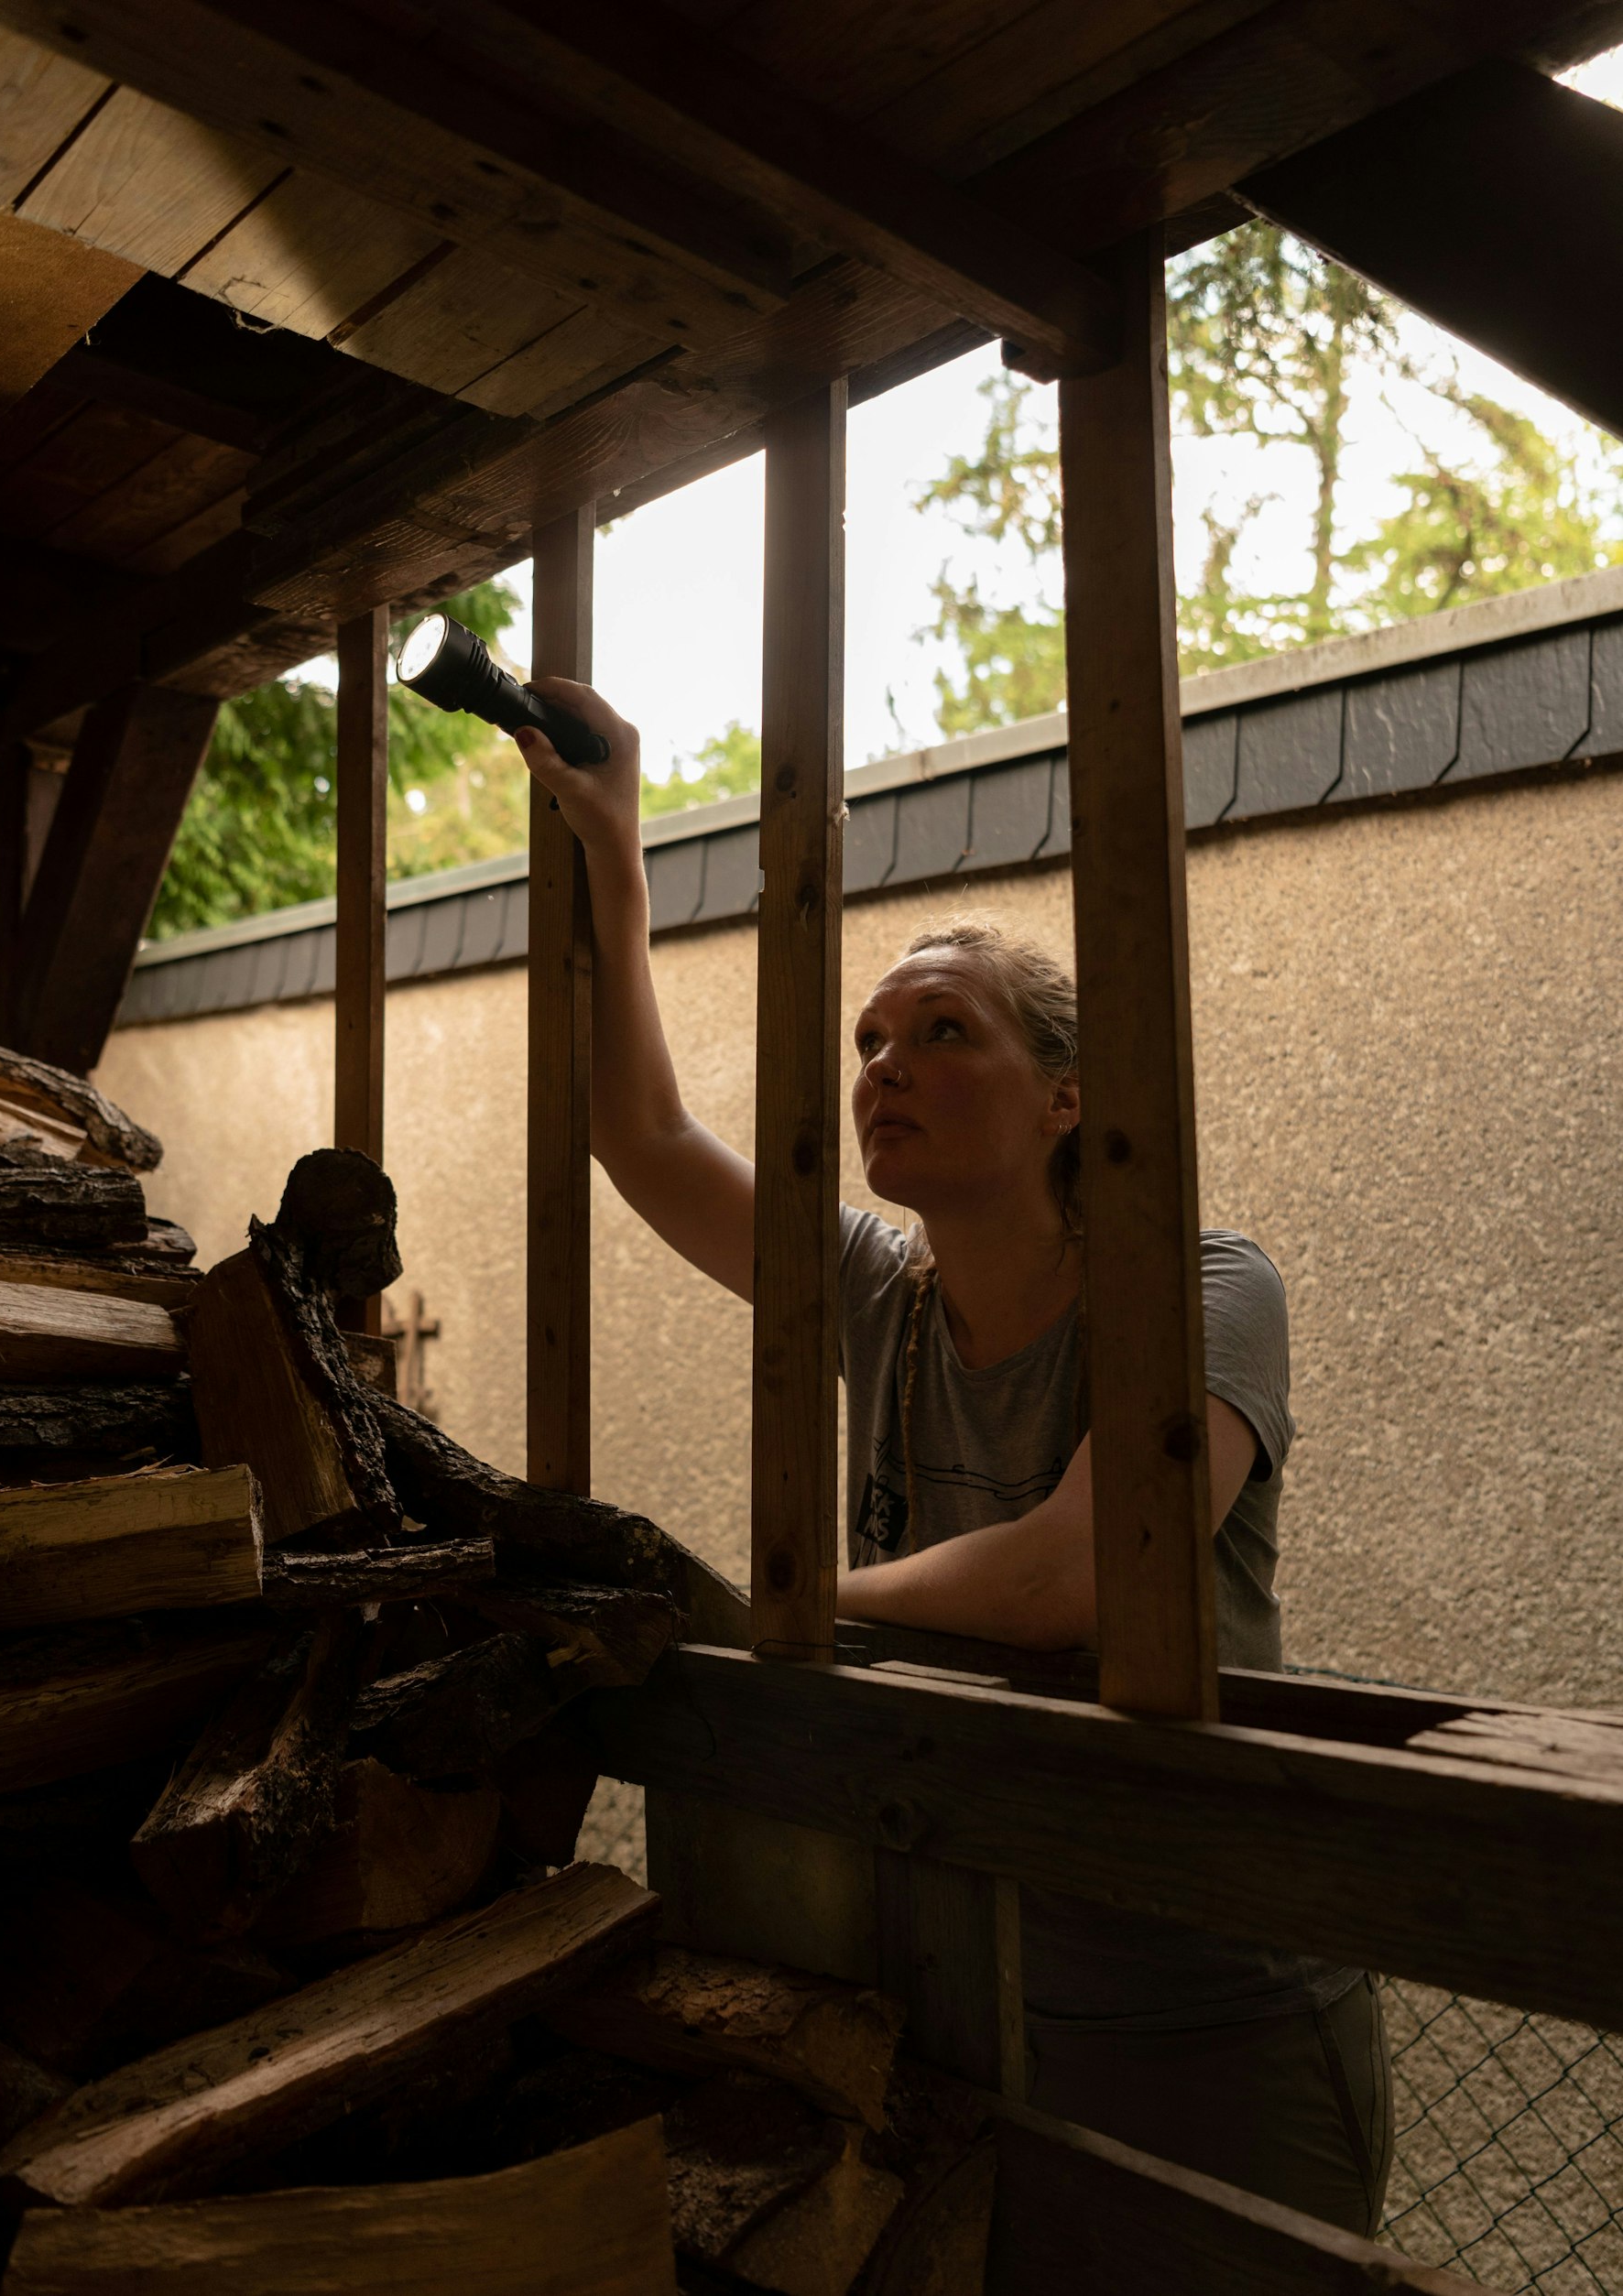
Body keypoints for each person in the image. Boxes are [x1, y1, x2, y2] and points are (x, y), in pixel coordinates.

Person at [513, 680, 1394, 2236]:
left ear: (1071, 1100)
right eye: (869, 1042)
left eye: (941, 1032)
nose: (883, 1066)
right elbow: (642, 1140)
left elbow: (1070, 1577)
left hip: (1216, 1998)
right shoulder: (875, 1288)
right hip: (972, 1982)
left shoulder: (1201, 1285)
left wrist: (770, 1606)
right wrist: (613, 850)